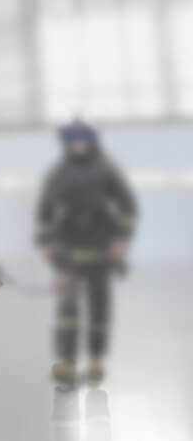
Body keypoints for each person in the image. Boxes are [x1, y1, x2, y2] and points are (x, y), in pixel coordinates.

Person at [37, 119, 136, 389]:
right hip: (68, 254)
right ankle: (67, 363)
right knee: (67, 311)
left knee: (99, 311)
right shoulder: (59, 173)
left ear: (91, 142)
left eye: (82, 140)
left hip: (101, 252)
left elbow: (127, 204)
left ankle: (95, 361)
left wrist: (121, 239)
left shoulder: (105, 170)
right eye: (73, 141)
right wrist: (45, 242)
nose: (78, 146)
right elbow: (45, 211)